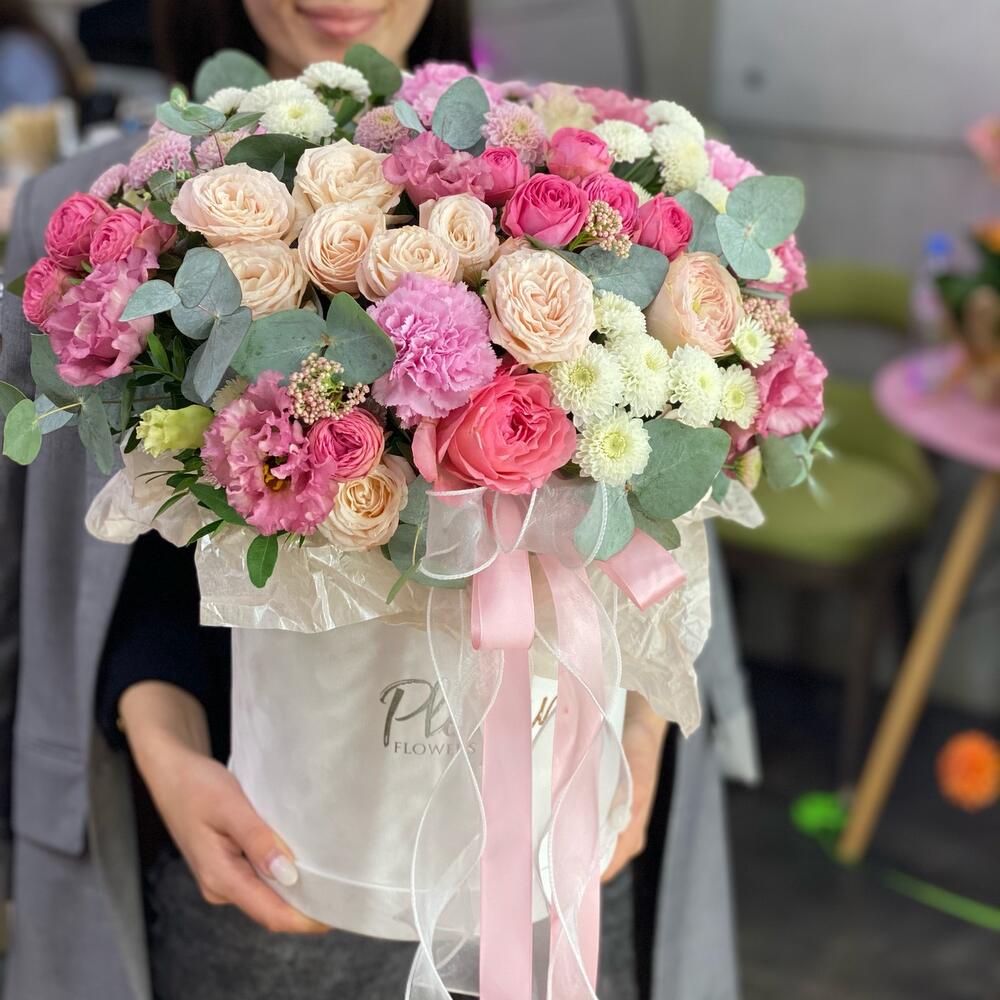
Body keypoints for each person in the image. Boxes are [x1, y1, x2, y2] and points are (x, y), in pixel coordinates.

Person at [0, 3, 679, 998]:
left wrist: (644, 728)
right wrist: (159, 739)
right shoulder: (94, 220)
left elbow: (666, 510)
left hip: (546, 839)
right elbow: (79, 573)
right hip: (247, 846)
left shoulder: (588, 178)